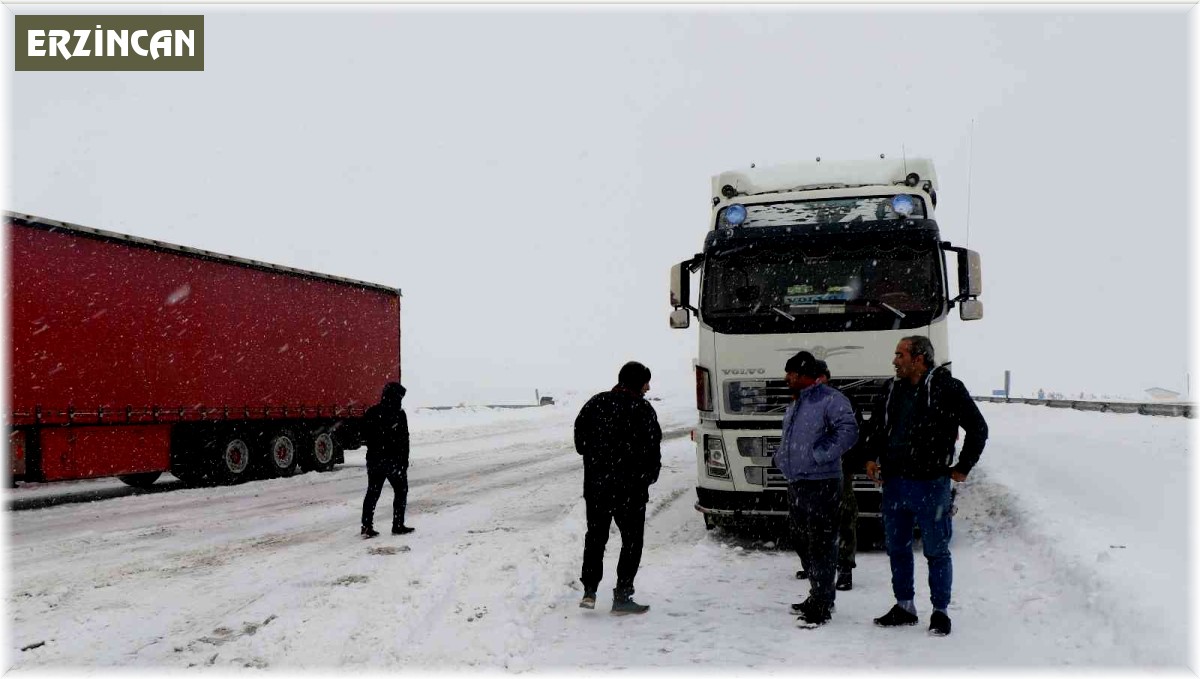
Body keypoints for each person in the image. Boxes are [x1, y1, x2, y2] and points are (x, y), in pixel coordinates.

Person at [864, 335, 988, 636]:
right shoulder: (890, 389)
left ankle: (940, 611)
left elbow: (978, 428)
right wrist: (870, 456)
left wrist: (963, 467)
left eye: (900, 355)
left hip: (932, 485)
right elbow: (876, 427)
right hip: (894, 483)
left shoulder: (948, 387)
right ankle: (904, 606)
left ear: (918, 358)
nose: (895, 361)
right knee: (898, 549)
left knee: (936, 550)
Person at [774, 352, 858, 627]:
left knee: (822, 544)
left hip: (822, 482)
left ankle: (822, 603)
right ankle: (817, 594)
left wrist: (820, 455)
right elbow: (791, 437)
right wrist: (781, 458)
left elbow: (848, 431)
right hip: (798, 482)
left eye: (790, 374)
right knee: (803, 541)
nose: (786, 378)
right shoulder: (797, 403)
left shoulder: (831, 399)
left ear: (802, 374)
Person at [574, 361, 662, 615]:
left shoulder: (596, 403)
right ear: (637, 382)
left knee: (596, 538)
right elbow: (653, 451)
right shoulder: (643, 410)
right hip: (630, 492)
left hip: (598, 488)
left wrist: (598, 460)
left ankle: (590, 590)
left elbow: (580, 443)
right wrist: (646, 478)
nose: (648, 387)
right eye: (646, 381)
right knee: (632, 543)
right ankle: (622, 596)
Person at [792, 365, 860, 592]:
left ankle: (844, 567)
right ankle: (813, 566)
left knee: (843, 516)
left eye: (821, 378)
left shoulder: (839, 401)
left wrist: (825, 454)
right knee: (808, 522)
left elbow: (849, 433)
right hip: (807, 473)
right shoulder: (801, 402)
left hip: (837, 470)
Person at [360, 382, 414, 538]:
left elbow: (363, 435)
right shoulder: (399, 414)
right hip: (394, 461)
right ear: (396, 396)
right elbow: (405, 441)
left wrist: (375, 446)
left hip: (375, 460)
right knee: (401, 491)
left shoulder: (372, 412)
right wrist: (404, 462)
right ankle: (398, 525)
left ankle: (366, 526)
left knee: (373, 492)